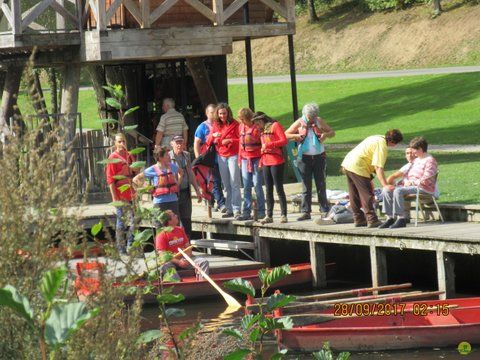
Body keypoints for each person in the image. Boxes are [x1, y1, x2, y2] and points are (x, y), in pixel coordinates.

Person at [341, 129, 403, 228]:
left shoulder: (376, 137)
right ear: (393, 142)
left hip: (348, 164)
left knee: (354, 194)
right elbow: (378, 167)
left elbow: (371, 161)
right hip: (359, 167)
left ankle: (359, 219)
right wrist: (385, 185)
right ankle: (372, 220)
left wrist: (370, 179)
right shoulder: (382, 145)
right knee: (367, 194)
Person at [285, 103, 335, 221]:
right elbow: (285, 134)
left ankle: (324, 210)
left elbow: (332, 132)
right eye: (310, 117)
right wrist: (296, 136)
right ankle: (306, 211)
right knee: (306, 186)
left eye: (313, 117)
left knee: (321, 184)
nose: (311, 119)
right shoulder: (299, 122)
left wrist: (325, 135)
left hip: (319, 156)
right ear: (305, 114)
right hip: (304, 158)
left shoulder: (319, 121)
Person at [379, 137, 438, 229]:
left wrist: (411, 183)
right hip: (410, 186)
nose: (413, 153)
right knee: (387, 190)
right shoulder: (416, 160)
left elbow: (426, 179)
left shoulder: (430, 161)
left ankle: (401, 219)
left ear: (421, 149)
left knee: (398, 191)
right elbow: (407, 175)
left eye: (414, 150)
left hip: (423, 188)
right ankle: (390, 218)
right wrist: (405, 182)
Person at [206, 103, 241, 219]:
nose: (222, 116)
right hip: (221, 156)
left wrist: (230, 140)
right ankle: (229, 208)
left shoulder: (235, 124)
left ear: (228, 113)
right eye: (220, 113)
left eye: (224, 113)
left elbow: (241, 139)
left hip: (233, 155)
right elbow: (208, 140)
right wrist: (214, 137)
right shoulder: (216, 124)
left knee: (234, 183)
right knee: (226, 184)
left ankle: (236, 210)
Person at [253, 112, 288, 224]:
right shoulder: (262, 130)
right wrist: (261, 161)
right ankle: (269, 215)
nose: (257, 127)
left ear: (262, 120)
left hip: (276, 160)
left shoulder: (275, 125)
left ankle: (283, 215)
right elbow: (263, 148)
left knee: (279, 188)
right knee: (268, 190)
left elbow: (284, 140)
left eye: (257, 124)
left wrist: (269, 145)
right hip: (266, 161)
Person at [155, 210, 209, 281]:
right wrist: (178, 262)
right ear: (169, 221)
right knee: (166, 266)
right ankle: (178, 284)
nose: (176, 216)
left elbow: (188, 247)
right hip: (171, 261)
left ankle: (202, 283)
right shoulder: (161, 235)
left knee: (203, 262)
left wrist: (186, 259)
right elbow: (162, 254)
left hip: (184, 258)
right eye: (174, 215)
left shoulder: (180, 229)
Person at [105, 133, 136, 254]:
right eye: (119, 141)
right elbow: (110, 181)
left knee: (135, 220)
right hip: (120, 193)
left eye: (123, 141)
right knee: (121, 222)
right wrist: (115, 199)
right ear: (115, 143)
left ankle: (131, 244)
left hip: (131, 192)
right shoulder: (113, 158)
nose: (122, 144)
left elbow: (136, 172)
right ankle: (121, 248)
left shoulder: (130, 156)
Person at [193, 104, 226, 212]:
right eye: (212, 112)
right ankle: (220, 203)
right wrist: (199, 159)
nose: (214, 114)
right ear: (207, 113)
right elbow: (196, 143)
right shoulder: (202, 127)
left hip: (221, 157)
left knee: (219, 181)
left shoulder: (220, 124)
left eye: (215, 112)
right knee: (213, 181)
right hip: (208, 159)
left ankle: (216, 201)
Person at [133, 146, 182, 216]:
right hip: (159, 202)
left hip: (173, 201)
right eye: (166, 155)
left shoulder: (171, 166)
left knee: (175, 224)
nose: (169, 156)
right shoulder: (152, 169)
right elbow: (135, 179)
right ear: (160, 158)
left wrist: (178, 183)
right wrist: (146, 187)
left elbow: (181, 172)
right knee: (159, 225)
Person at [169, 135, 202, 238]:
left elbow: (190, 173)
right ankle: (177, 246)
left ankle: (188, 246)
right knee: (175, 221)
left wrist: (197, 189)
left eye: (181, 142)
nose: (179, 145)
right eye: (177, 142)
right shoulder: (168, 157)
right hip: (174, 194)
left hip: (186, 191)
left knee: (187, 220)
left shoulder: (186, 155)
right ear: (172, 143)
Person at [238, 107, 265, 221]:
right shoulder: (241, 127)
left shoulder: (256, 128)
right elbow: (240, 144)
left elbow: (263, 144)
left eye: (243, 119)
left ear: (248, 118)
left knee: (257, 184)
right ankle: (246, 211)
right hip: (245, 159)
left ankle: (261, 211)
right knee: (246, 186)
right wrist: (239, 159)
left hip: (256, 158)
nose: (241, 121)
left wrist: (261, 161)